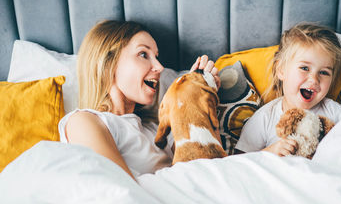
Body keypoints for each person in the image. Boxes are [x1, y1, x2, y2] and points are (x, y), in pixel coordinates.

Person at [58, 20, 220, 180]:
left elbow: (209, 167)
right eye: (143, 54)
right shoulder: (84, 121)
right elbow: (118, 191)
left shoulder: (157, 127)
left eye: (156, 57)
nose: (160, 67)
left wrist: (193, 95)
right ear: (108, 63)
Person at [235, 23, 341, 156]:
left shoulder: (334, 113)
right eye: (305, 68)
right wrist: (269, 152)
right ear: (281, 70)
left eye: (324, 72)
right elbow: (239, 161)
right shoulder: (266, 117)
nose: (314, 79)